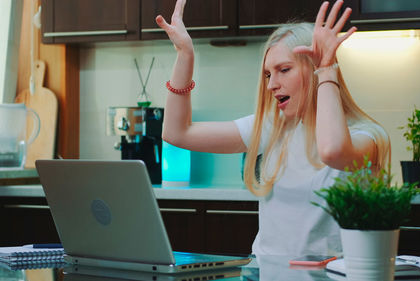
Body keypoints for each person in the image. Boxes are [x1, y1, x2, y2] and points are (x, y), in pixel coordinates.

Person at [156, 0, 391, 256]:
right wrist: (185, 55)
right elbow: (177, 133)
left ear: (315, 68)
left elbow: (332, 151)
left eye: (284, 70)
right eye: (269, 74)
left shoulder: (367, 136)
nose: (272, 85)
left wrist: (327, 70)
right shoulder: (273, 127)